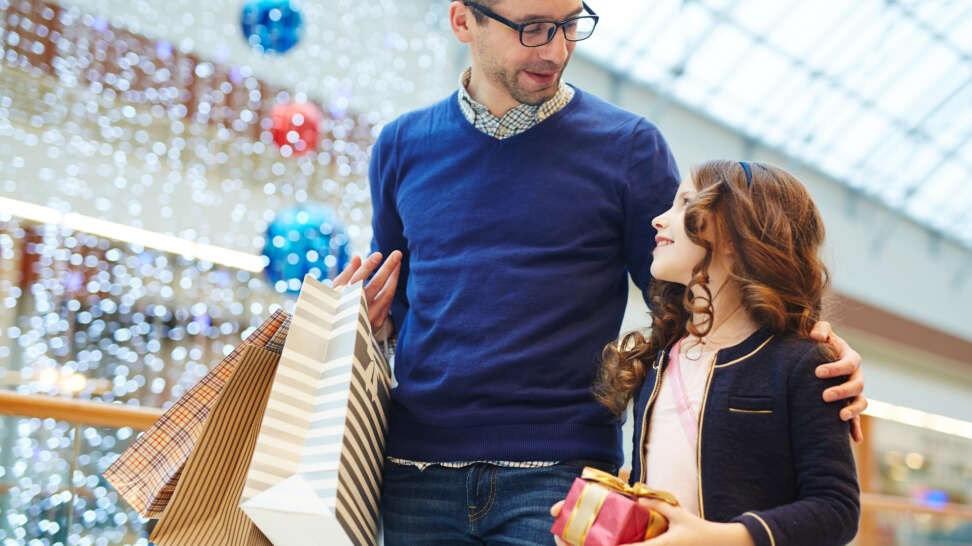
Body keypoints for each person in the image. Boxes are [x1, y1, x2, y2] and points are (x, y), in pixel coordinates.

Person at [331, 1, 866, 543]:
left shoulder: (629, 146)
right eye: (532, 29)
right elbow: (396, 302)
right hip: (416, 471)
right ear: (464, 22)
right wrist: (358, 321)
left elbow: (694, 293)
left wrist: (802, 344)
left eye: (569, 24)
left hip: (562, 473)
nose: (556, 49)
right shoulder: (400, 145)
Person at [552, 161, 860, 546]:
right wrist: (600, 523)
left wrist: (715, 538)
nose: (658, 220)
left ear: (736, 233)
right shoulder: (660, 361)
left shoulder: (802, 363)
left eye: (685, 203)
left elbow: (837, 509)